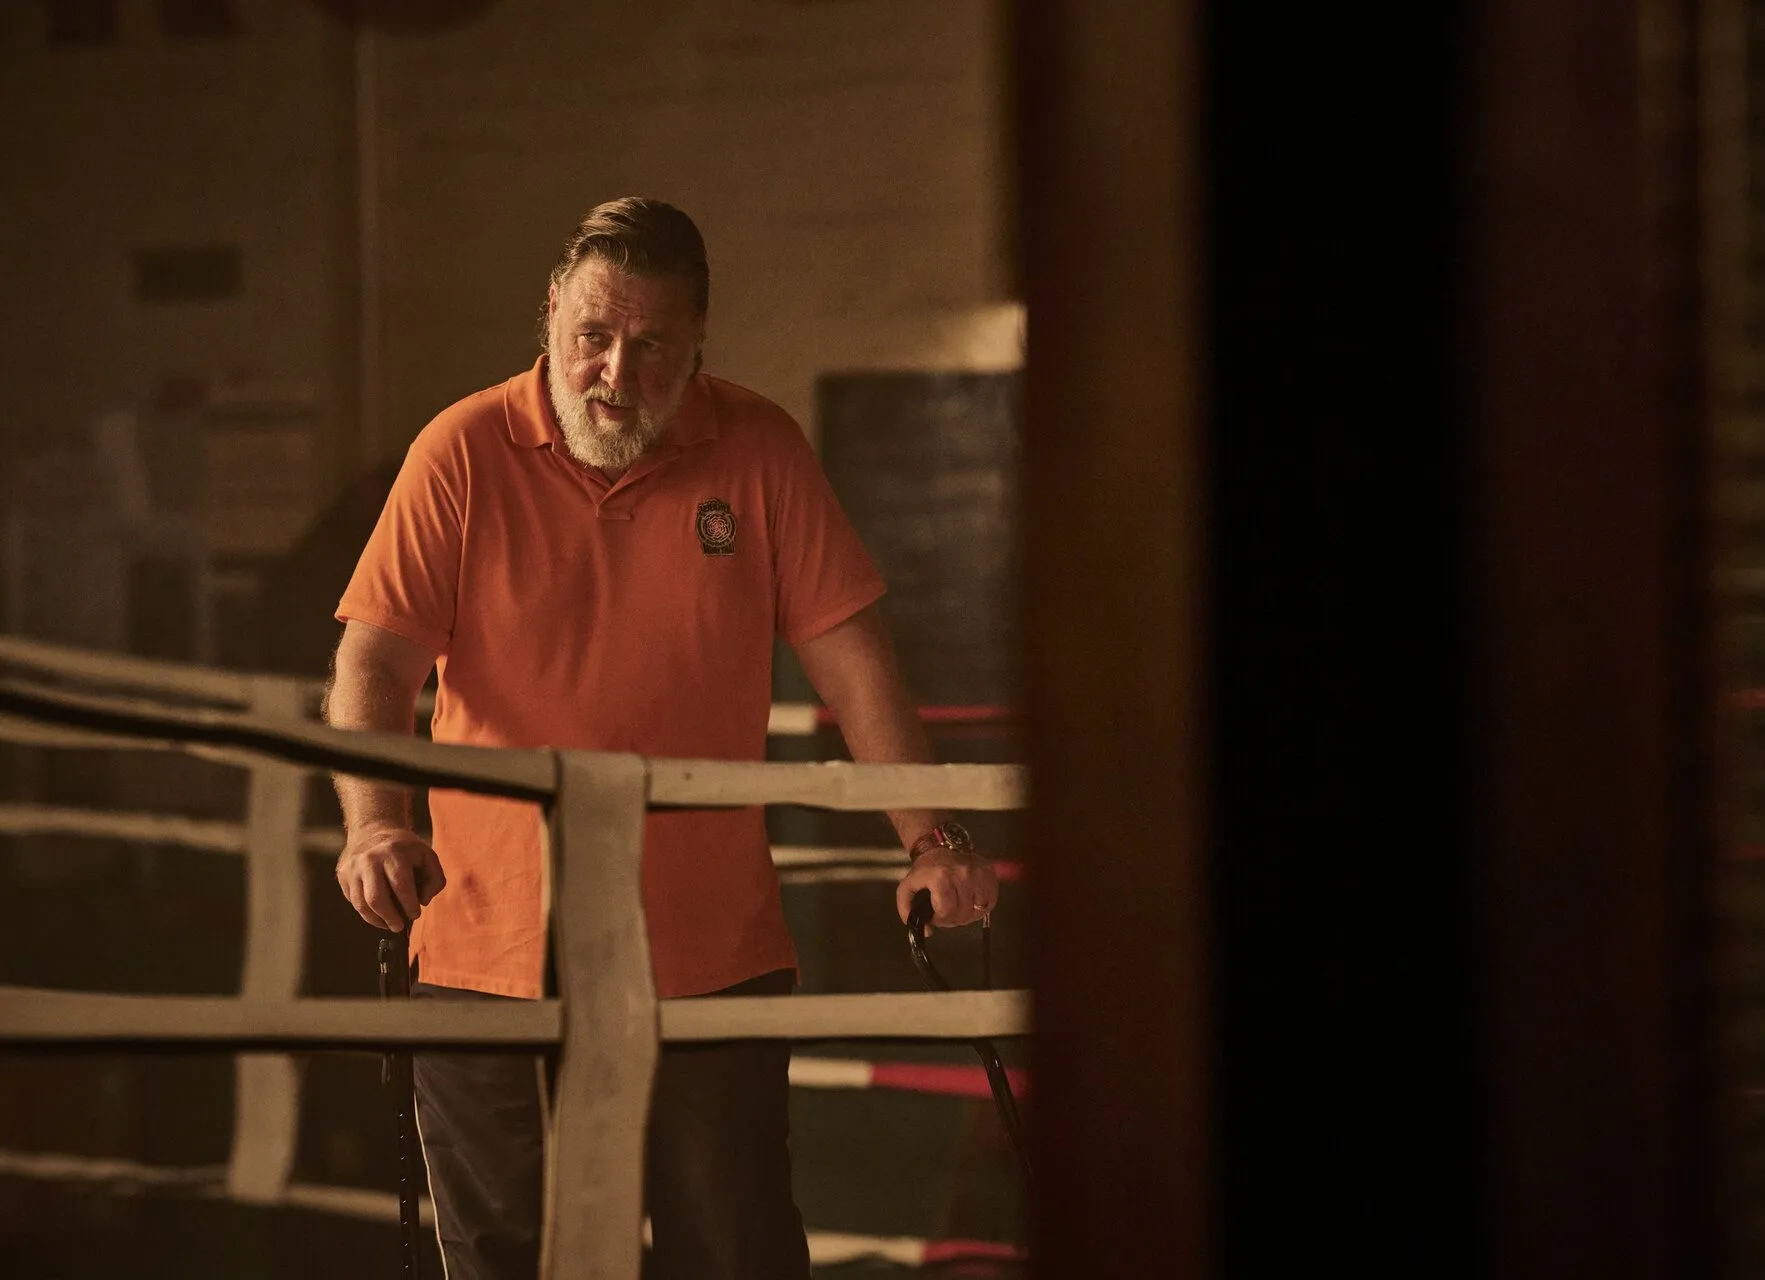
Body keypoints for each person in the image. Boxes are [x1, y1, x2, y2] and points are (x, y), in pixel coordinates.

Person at [325, 196, 998, 1280]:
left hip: (708, 953)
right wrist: (374, 826)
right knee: (507, 1259)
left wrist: (932, 837)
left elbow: (853, 660)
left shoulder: (758, 446)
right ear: (550, 315)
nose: (613, 371)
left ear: (697, 347)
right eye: (592, 335)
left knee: (732, 1253)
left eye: (650, 347)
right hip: (490, 947)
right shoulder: (461, 450)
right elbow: (374, 663)